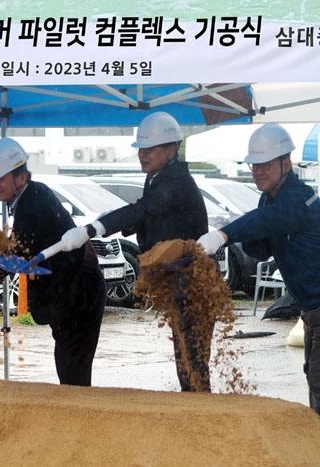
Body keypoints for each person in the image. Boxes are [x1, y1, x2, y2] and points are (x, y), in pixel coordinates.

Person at [197, 123, 320, 429]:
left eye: (265, 165)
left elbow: (268, 220)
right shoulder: (270, 199)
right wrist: (246, 238)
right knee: (314, 374)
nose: (258, 171)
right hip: (316, 303)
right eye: (254, 165)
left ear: (285, 163)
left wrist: (223, 235)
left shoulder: (298, 199)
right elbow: (261, 246)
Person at [60, 111, 212, 392]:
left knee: (193, 362)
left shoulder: (175, 181)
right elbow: (147, 214)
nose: (143, 155)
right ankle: (194, 414)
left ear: (170, 149)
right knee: (185, 358)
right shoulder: (157, 176)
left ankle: (202, 420)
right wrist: (124, 226)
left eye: (150, 149)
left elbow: (143, 209)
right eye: (141, 149)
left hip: (193, 281)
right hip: (175, 278)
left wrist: (94, 228)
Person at [0, 137, 105, 386]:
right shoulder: (29, 196)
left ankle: (79, 422)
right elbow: (25, 245)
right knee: (70, 367)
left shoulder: (33, 201)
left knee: (73, 372)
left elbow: (16, 257)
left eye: (0, 179)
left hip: (79, 295)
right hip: (70, 293)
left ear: (20, 176)